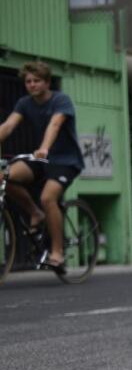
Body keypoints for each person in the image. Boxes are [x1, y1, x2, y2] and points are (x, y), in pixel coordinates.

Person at [0, 61, 86, 271]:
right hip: (42, 159)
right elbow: (9, 125)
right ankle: (35, 213)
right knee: (4, 176)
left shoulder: (61, 100)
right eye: (28, 81)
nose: (32, 85)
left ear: (47, 82)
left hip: (65, 161)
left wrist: (45, 148)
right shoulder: (24, 103)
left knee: (48, 197)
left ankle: (57, 253)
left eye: (37, 81)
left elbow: (55, 124)